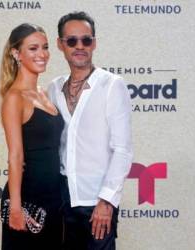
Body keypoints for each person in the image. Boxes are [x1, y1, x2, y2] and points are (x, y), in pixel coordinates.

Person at [48, 11, 133, 250]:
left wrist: (106, 201)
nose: (80, 46)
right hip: (62, 200)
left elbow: (123, 150)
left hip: (97, 202)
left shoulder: (111, 85)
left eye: (86, 40)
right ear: (60, 44)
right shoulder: (53, 88)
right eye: (72, 40)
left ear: (94, 43)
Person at [0, 23, 64, 250]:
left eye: (45, 47)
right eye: (33, 48)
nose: (43, 54)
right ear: (16, 53)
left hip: (54, 197)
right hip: (28, 198)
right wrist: (15, 207)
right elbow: (15, 156)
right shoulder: (14, 98)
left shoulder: (45, 94)